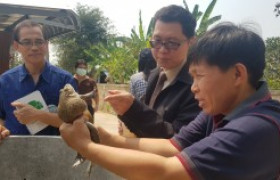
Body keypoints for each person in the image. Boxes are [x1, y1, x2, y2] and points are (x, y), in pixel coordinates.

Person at [60, 22, 280, 179]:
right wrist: (104, 137)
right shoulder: (218, 111)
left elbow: (167, 171)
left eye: (199, 77)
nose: (193, 87)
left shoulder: (257, 127)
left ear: (237, 75)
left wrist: (85, 146)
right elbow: (173, 146)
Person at [105, 5, 201, 138]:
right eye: (157, 41)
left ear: (191, 43)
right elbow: (149, 116)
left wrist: (133, 110)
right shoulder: (155, 75)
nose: (162, 49)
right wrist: (127, 117)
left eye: (172, 43)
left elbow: (178, 140)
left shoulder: (198, 87)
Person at [0, 20, 77, 135]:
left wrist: (39, 115)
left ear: (46, 44)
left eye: (39, 41)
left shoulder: (65, 80)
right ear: (16, 46)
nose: (34, 47)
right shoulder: (5, 81)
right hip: (14, 150)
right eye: (27, 42)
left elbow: (77, 122)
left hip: (55, 151)